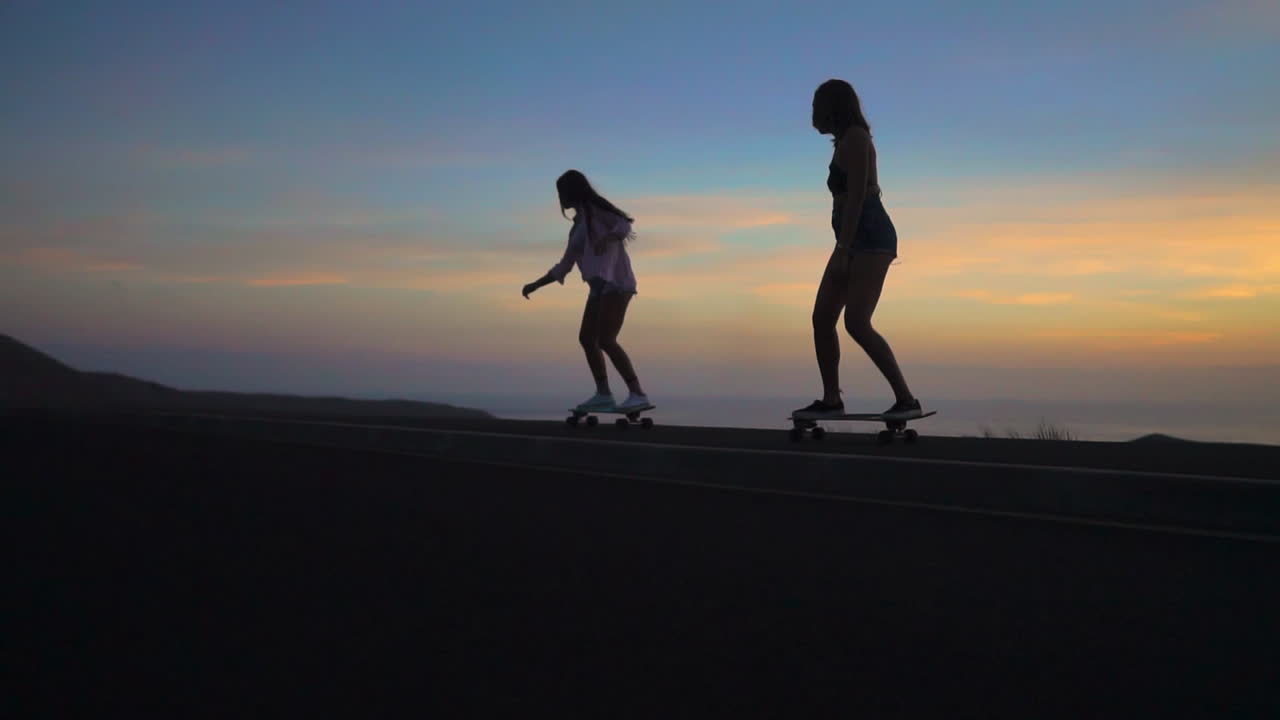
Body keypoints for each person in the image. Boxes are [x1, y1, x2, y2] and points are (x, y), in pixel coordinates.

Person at [794, 79, 922, 421]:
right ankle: (831, 398)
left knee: (856, 321)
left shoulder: (856, 140)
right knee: (822, 318)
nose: (812, 114)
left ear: (831, 107)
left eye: (816, 106)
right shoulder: (845, 142)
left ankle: (906, 398)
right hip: (851, 238)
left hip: (868, 238)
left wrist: (843, 248)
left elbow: (858, 198)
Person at [522, 170, 650, 413]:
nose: (560, 198)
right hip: (597, 290)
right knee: (586, 339)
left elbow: (624, 225)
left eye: (562, 192)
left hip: (616, 284)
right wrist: (536, 284)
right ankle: (603, 394)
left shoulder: (596, 211)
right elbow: (565, 264)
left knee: (606, 339)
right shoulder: (578, 225)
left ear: (572, 191)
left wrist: (607, 239)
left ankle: (637, 393)